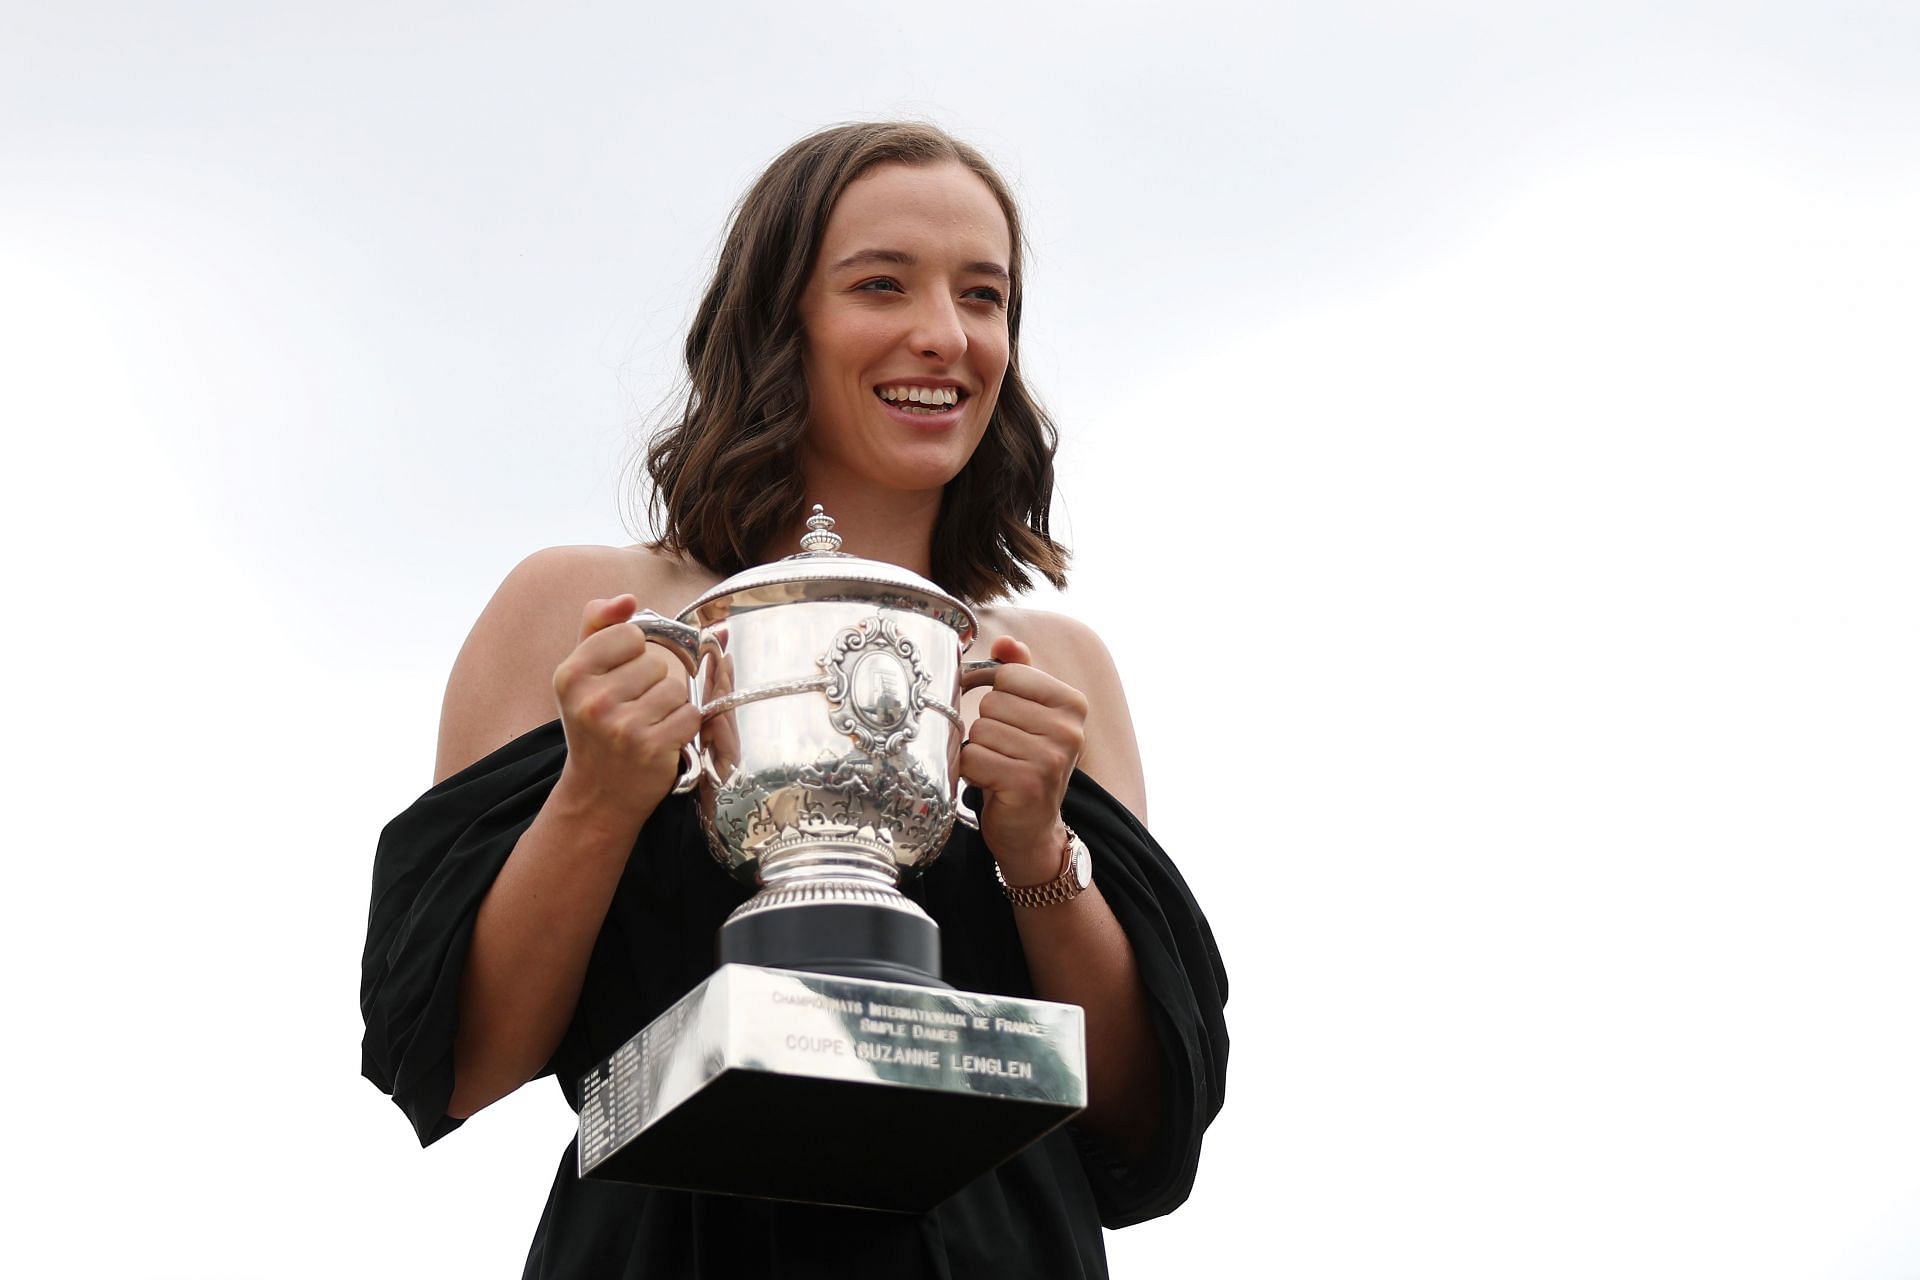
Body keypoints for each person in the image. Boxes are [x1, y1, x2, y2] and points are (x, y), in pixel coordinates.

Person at [361, 121, 1228, 1279]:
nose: (945, 334)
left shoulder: (1053, 668)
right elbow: (458, 1061)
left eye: (985, 296)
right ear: (782, 321)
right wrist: (597, 798)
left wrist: (1036, 843)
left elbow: (1137, 1120)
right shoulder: (586, 610)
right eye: (882, 284)